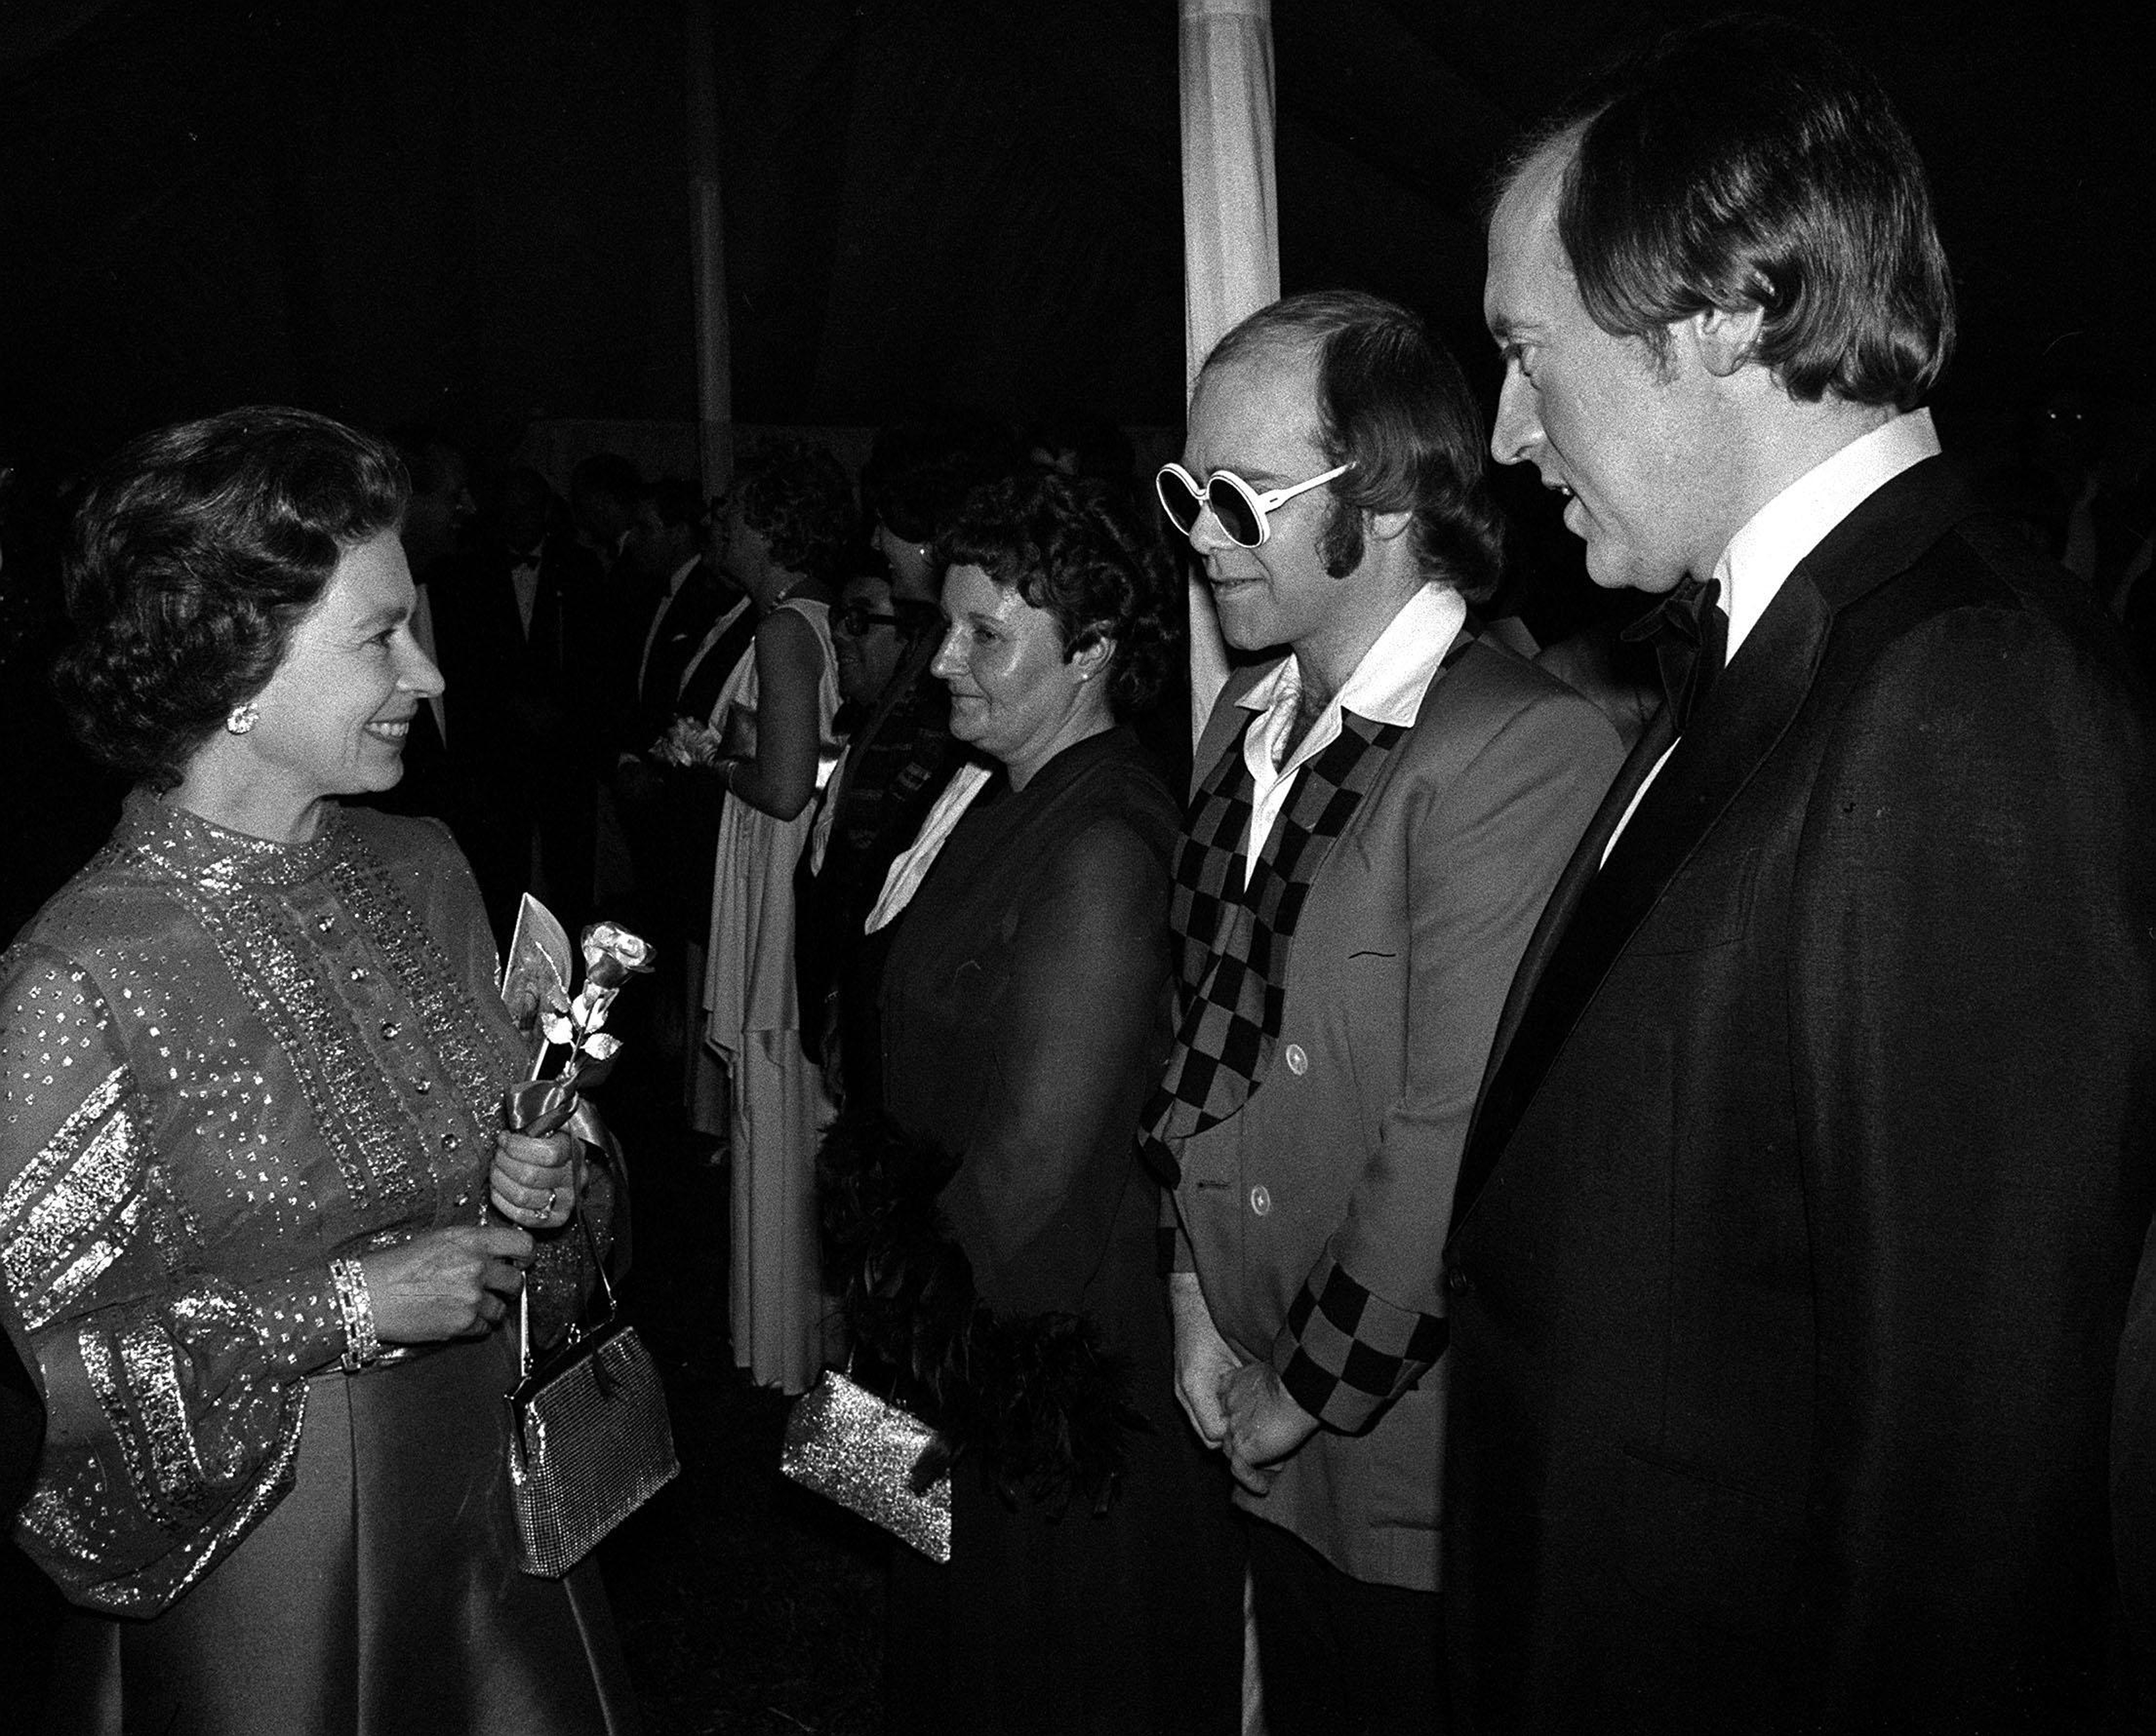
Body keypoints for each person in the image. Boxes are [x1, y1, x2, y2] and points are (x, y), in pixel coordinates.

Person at [1445, 19, 2156, 1732]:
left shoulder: (1961, 697)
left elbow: (1966, 1480)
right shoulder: (1790, 651)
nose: (1503, 430)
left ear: (1725, 316)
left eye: (1531, 354)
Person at [0, 406, 637, 1732]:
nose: (430, 671)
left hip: (495, 1527)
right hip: (266, 1576)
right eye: (378, 638)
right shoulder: (81, 975)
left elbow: (559, 1227)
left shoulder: (425, 868)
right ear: (231, 662)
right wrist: (342, 1308)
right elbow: (44, 1381)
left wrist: (557, 1180)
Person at [1143, 290, 1623, 1735]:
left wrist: (1305, 1387)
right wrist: (1190, 1297)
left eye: (1241, 495)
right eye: (1187, 491)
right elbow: (1203, 1025)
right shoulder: (1251, 714)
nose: (1204, 532)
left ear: (1395, 494)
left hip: (1404, 1434)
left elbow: (1448, 1138)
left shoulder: (1518, 746)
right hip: (1251, 1374)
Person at [839, 469, 1241, 1736]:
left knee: (1042, 1675)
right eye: (942, 626)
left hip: (1037, 1367)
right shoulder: (1001, 792)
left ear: (1095, 656)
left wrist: (887, 1357)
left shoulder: (1102, 844)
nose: (944, 661)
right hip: (945, 1324)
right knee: (950, 1661)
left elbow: (1032, 1180)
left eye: (985, 636)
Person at [699, 440, 852, 1393]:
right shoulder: (808, 623)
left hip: (778, 874)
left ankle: (787, 1350)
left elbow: (787, 787)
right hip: (783, 868)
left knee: (778, 1110)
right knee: (782, 1111)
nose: (724, 531)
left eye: (737, 516)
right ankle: (792, 1339)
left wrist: (710, 759)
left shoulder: (784, 632)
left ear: (772, 529)